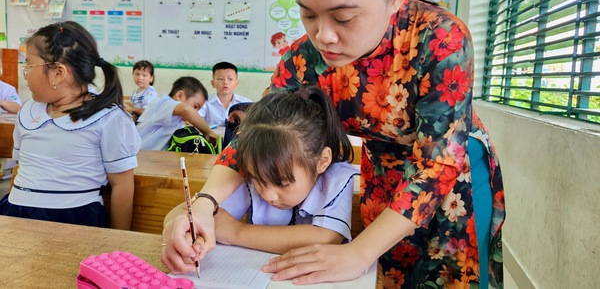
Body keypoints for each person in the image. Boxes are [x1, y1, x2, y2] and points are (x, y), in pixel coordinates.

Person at [162, 0, 505, 288]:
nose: (323, 35)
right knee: (387, 278)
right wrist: (203, 204)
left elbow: (438, 164)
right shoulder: (305, 57)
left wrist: (357, 253)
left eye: (343, 18)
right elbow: (256, 131)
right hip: (383, 172)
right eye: (309, 15)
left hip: (453, 178)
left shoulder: (439, 36)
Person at [163, 86, 358, 258]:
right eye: (257, 179)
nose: (268, 195)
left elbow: (326, 237)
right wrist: (182, 232)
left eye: (282, 183)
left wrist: (236, 232)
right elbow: (181, 213)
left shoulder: (337, 178)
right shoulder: (255, 168)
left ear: (322, 161)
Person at [0, 21, 140, 230]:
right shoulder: (28, 111)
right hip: (17, 213)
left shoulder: (108, 118)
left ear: (58, 73)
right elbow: (21, 169)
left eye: (29, 65)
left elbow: (122, 184)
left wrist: (120, 241)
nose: (25, 72)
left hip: (73, 219)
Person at [137, 76, 219, 150]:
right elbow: (186, 110)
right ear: (179, 95)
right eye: (195, 106)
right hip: (141, 157)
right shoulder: (163, 103)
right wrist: (208, 131)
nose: (195, 112)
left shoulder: (176, 117)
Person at [197, 62, 252, 127]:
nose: (225, 82)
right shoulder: (204, 101)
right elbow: (195, 120)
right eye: (221, 79)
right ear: (213, 83)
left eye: (230, 79)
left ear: (237, 83)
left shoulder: (246, 103)